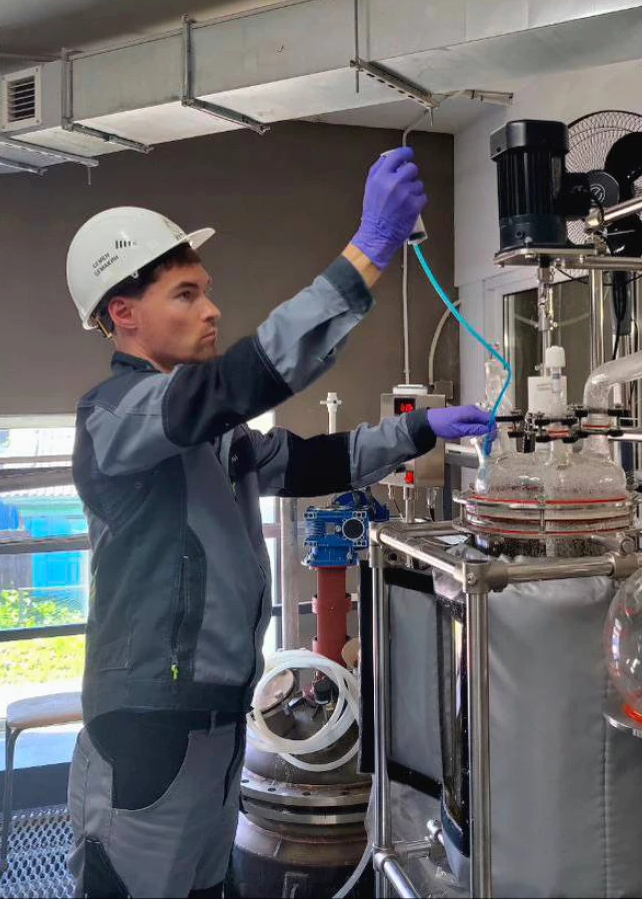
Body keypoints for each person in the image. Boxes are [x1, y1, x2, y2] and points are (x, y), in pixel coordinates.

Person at [62, 146, 491, 898]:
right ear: (123, 314)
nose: (211, 311)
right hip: (148, 724)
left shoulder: (211, 432)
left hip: (217, 714)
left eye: (207, 292)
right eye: (186, 295)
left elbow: (309, 462)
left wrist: (419, 430)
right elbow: (243, 379)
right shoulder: (116, 415)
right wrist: (367, 253)